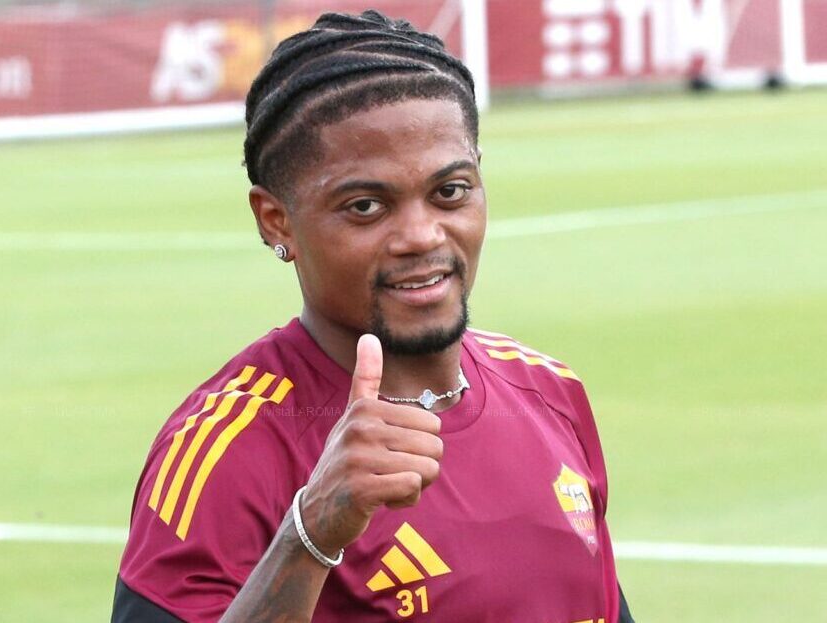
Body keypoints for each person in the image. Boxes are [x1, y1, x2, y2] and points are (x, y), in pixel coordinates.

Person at [112, 10, 634, 623]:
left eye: (450, 192)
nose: (422, 236)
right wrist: (309, 533)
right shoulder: (228, 450)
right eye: (366, 206)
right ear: (276, 222)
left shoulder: (549, 392)